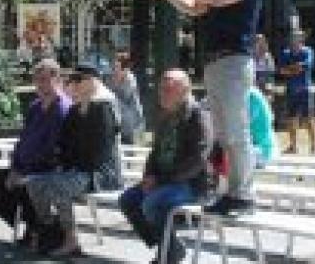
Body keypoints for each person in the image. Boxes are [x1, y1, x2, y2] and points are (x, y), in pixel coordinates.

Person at [148, 0, 263, 216]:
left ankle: (243, 194)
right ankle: (231, 193)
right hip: (217, 63)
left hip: (233, 61)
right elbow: (195, 7)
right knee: (224, 133)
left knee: (236, 131)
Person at [26, 63, 122, 257]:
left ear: (93, 81)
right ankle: (49, 230)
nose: (73, 84)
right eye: (71, 80)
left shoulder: (103, 107)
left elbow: (97, 152)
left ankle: (71, 240)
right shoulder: (75, 108)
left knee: (60, 186)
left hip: (100, 174)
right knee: (34, 183)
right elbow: (64, 143)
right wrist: (62, 164)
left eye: (78, 80)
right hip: (78, 170)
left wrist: (69, 168)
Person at [119, 70, 212, 264]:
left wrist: (160, 181)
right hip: (164, 181)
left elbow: (197, 160)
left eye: (168, 88)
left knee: (152, 203)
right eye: (161, 88)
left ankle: (168, 252)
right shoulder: (165, 117)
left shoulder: (198, 116)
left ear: (185, 90)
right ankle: (170, 247)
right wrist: (148, 176)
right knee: (128, 200)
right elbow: (155, 153)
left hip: (191, 184)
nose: (162, 93)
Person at [0, 59, 71, 247]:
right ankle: (35, 225)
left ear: (57, 80)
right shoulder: (35, 107)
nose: (40, 85)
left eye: (45, 79)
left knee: (25, 185)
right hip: (25, 167)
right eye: (37, 80)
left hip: (49, 168)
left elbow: (52, 148)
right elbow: (23, 141)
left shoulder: (62, 109)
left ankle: (40, 229)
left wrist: (24, 172)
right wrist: (15, 168)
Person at [279, 30, 315, 154]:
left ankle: (314, 146)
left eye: (297, 38)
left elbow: (306, 66)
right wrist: (296, 68)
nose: (294, 40)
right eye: (292, 37)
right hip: (291, 90)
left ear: (302, 39)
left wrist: (291, 69)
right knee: (291, 119)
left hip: (305, 89)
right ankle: (293, 146)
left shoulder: (308, 51)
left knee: (308, 119)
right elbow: (282, 71)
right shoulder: (286, 53)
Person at [108, 52, 144, 145]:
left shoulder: (130, 80)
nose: (114, 69)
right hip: (116, 115)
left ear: (125, 69)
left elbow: (123, 98)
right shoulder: (109, 78)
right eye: (113, 66)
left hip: (129, 117)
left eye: (117, 67)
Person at [248, 86, 276, 168]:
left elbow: (245, 122)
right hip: (261, 149)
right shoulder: (253, 93)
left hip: (262, 152)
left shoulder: (251, 96)